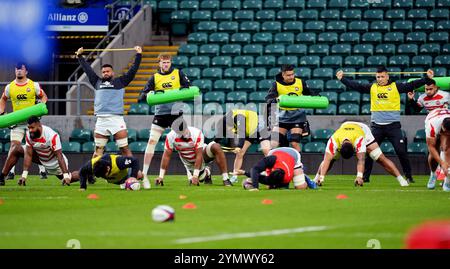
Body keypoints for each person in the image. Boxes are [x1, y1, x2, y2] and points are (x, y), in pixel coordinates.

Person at [337, 66, 435, 183]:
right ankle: (365, 177)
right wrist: (342, 79)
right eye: (378, 77)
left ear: (387, 76)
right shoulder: (372, 87)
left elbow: (412, 84)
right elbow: (357, 86)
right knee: (370, 152)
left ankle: (408, 176)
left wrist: (427, 78)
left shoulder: (396, 87)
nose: (380, 79)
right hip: (377, 127)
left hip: (393, 126)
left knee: (401, 151)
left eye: (382, 76)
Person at [75, 46, 142, 159]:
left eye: (108, 71)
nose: (105, 73)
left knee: (124, 148)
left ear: (113, 73)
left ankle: (133, 174)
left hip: (116, 119)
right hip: (101, 120)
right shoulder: (96, 81)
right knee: (98, 151)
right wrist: (80, 56)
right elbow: (87, 69)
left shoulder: (120, 81)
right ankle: (91, 175)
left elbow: (133, 70)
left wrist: (139, 55)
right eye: (103, 72)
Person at [137, 53, 191, 189]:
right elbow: (142, 95)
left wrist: (181, 91)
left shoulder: (178, 73)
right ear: (159, 63)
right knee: (151, 142)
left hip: (176, 114)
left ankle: (192, 173)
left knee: (186, 142)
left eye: (167, 62)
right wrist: (147, 94)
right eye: (163, 62)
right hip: (160, 115)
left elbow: (188, 88)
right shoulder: (154, 78)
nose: (165, 64)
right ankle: (144, 176)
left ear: (170, 63)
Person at [314, 121, 409, 187]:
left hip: (363, 130)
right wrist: (321, 177)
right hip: (345, 126)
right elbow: (326, 160)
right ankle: (316, 179)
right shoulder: (333, 140)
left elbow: (361, 160)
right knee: (330, 160)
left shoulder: (360, 141)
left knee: (380, 158)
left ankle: (401, 179)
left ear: (355, 149)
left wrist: (359, 177)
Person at [0, 62, 48, 181]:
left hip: (32, 124)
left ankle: (42, 171)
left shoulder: (33, 85)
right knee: (14, 147)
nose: (19, 71)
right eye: (17, 69)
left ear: (26, 71)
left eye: (21, 69)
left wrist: (41, 105)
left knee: (37, 147)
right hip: (17, 124)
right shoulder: (9, 87)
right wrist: (1, 112)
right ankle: (10, 172)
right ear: (15, 71)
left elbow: (44, 97)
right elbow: (3, 99)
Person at [154, 123, 233, 187]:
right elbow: (166, 156)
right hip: (189, 162)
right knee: (200, 179)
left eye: (186, 131)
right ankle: (207, 172)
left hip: (202, 155)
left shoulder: (196, 133)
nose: (186, 134)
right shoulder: (170, 136)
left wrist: (195, 175)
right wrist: (161, 177)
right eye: (182, 133)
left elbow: (199, 155)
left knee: (216, 146)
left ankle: (225, 178)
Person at [0, 116, 71, 186]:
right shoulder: (29, 134)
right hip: (39, 158)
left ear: (39, 125)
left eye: (32, 128)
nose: (30, 130)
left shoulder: (52, 135)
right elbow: (28, 154)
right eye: (29, 128)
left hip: (53, 163)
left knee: (69, 179)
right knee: (16, 149)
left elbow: (59, 156)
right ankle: (1, 177)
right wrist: (24, 176)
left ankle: (81, 175)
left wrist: (66, 176)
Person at [407, 79, 449, 182]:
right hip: (432, 122)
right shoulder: (422, 98)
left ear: (436, 88)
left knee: (446, 148)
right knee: (433, 150)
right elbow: (416, 110)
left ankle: (445, 177)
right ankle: (433, 173)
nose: (428, 91)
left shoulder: (445, 95)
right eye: (426, 89)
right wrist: (411, 100)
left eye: (431, 89)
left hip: (445, 122)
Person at [265, 64, 313, 152]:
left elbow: (310, 93)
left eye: (292, 74)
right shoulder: (276, 85)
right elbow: (268, 100)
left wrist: (317, 97)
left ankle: (298, 165)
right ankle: (274, 164)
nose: (291, 77)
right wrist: (276, 100)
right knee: (273, 143)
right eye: (288, 75)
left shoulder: (300, 82)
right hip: (282, 117)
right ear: (283, 75)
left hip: (297, 117)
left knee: (294, 143)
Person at [215, 109, 271, 183]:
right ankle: (235, 175)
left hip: (260, 128)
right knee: (240, 153)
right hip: (250, 132)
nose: (229, 130)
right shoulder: (229, 121)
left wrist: (239, 146)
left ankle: (270, 172)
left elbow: (242, 132)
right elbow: (221, 134)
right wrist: (214, 142)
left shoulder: (238, 117)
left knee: (267, 152)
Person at [242, 147, 317, 191]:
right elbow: (255, 169)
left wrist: (250, 179)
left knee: (300, 187)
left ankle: (305, 177)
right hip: (276, 153)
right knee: (269, 186)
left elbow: (267, 180)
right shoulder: (271, 159)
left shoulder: (288, 176)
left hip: (293, 155)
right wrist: (255, 186)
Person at [72, 153, 143, 191]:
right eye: (101, 176)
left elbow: (135, 160)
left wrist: (133, 177)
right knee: (81, 172)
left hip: (125, 174)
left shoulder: (119, 162)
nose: (103, 176)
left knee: (139, 174)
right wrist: (83, 187)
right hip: (113, 180)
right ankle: (123, 184)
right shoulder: (92, 165)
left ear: (108, 168)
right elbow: (82, 172)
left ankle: (126, 182)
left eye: (104, 175)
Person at [424, 108, 450, 191]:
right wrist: (442, 163)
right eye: (446, 132)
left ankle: (447, 181)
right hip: (432, 117)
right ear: (442, 126)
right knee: (433, 153)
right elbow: (430, 147)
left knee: (446, 148)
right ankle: (433, 174)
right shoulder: (432, 125)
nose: (447, 134)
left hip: (444, 118)